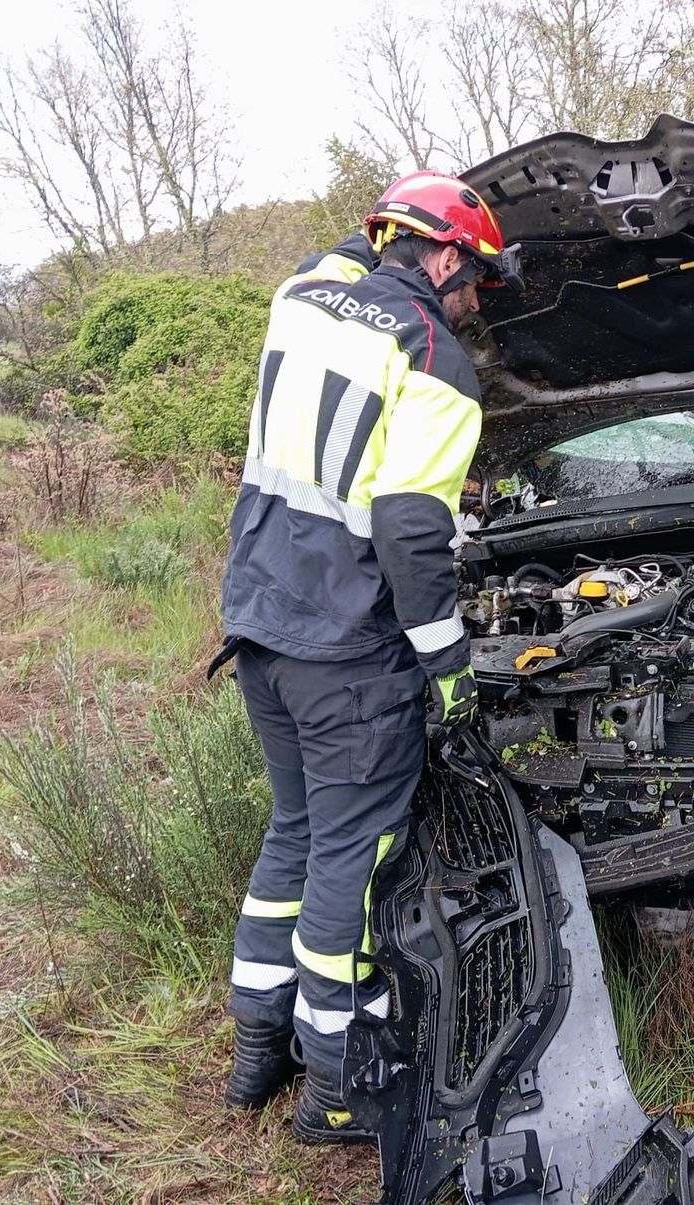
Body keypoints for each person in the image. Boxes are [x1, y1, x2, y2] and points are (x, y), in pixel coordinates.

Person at [216, 172, 522, 1138]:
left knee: (295, 834)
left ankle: (255, 1050)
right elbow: (409, 525)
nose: (476, 303)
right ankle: (338, 1083)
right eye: (474, 279)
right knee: (351, 856)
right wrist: (450, 667)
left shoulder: (302, 293)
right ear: (440, 257)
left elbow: (346, 256)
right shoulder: (434, 356)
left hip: (260, 623)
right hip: (346, 648)